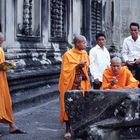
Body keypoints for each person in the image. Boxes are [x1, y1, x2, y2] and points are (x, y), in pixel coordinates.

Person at [58, 35, 91, 138]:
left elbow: (87, 66)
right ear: (77, 44)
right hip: (71, 84)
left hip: (82, 83)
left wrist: (82, 67)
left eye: (85, 42)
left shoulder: (85, 53)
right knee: (69, 105)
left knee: (82, 105)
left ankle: (80, 128)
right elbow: (65, 71)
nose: (86, 44)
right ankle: (68, 128)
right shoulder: (68, 55)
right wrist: (77, 66)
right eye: (83, 42)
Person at [0, 33, 25, 136]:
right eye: (1, 40)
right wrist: (9, 65)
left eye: (2, 40)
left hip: (2, 80)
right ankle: (12, 126)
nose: (2, 42)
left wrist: (10, 64)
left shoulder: (0, 50)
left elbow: (1, 65)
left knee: (6, 102)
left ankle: (12, 126)